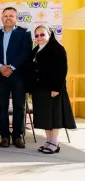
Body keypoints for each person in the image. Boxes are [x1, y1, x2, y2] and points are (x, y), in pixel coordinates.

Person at [0, 7, 33, 148]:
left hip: (18, 76)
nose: (8, 18)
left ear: (16, 18)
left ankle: (18, 136)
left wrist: (11, 68)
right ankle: (5, 136)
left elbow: (25, 52)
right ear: (1, 18)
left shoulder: (24, 33)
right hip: (0, 77)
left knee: (19, 107)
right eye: (5, 16)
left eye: (11, 16)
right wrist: (0, 67)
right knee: (2, 107)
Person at [29, 26, 76, 154]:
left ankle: (54, 142)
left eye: (42, 34)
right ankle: (49, 141)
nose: (39, 37)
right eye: (37, 35)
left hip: (53, 89)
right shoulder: (35, 50)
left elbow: (62, 70)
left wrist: (56, 88)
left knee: (54, 117)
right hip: (40, 89)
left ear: (49, 34)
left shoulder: (57, 49)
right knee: (46, 117)